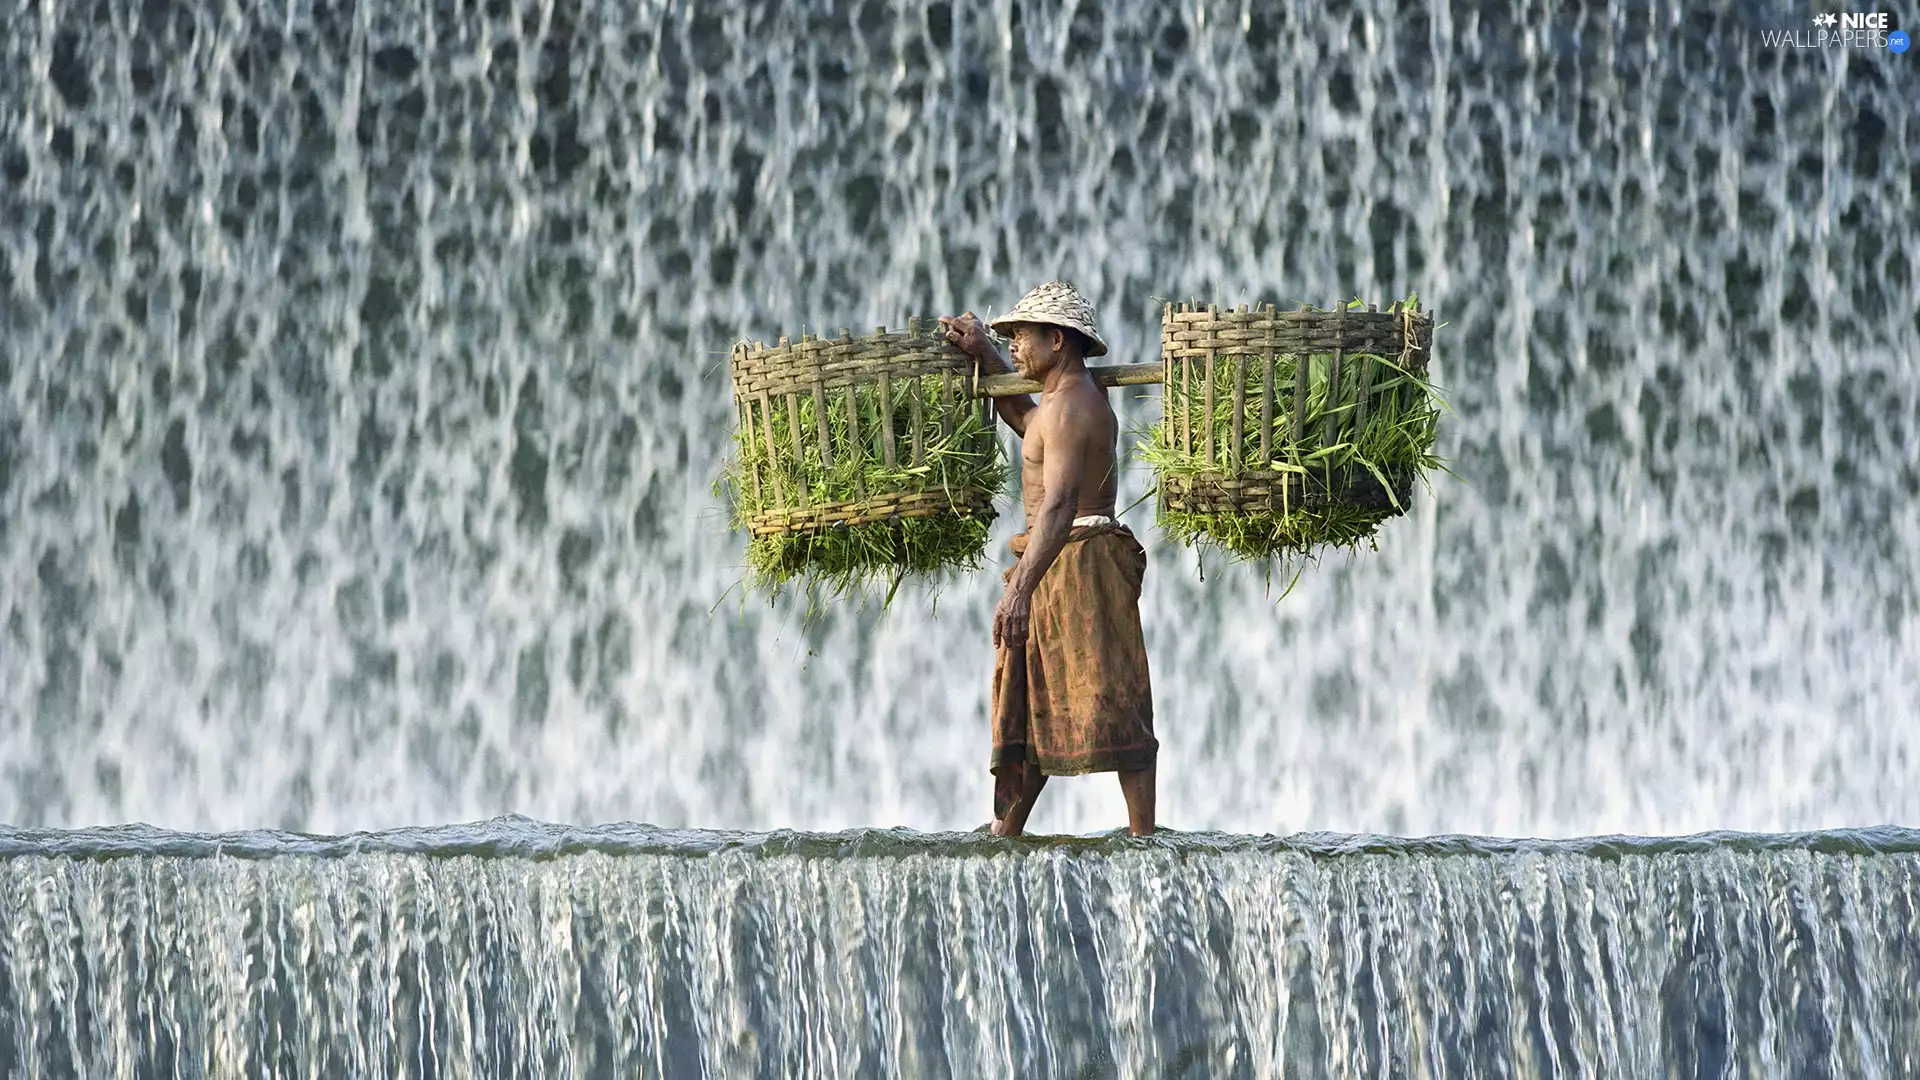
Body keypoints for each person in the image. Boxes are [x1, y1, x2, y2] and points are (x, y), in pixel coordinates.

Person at [939, 281, 1158, 837]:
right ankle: (1006, 829)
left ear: (1056, 339)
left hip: (1077, 565)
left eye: (1021, 337)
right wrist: (986, 353)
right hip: (1062, 563)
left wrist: (1019, 591)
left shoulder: (1071, 408)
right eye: (1007, 338)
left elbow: (1058, 505)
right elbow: (1029, 427)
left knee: (1109, 691)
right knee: (1036, 693)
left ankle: (1144, 834)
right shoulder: (1064, 402)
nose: (1014, 345)